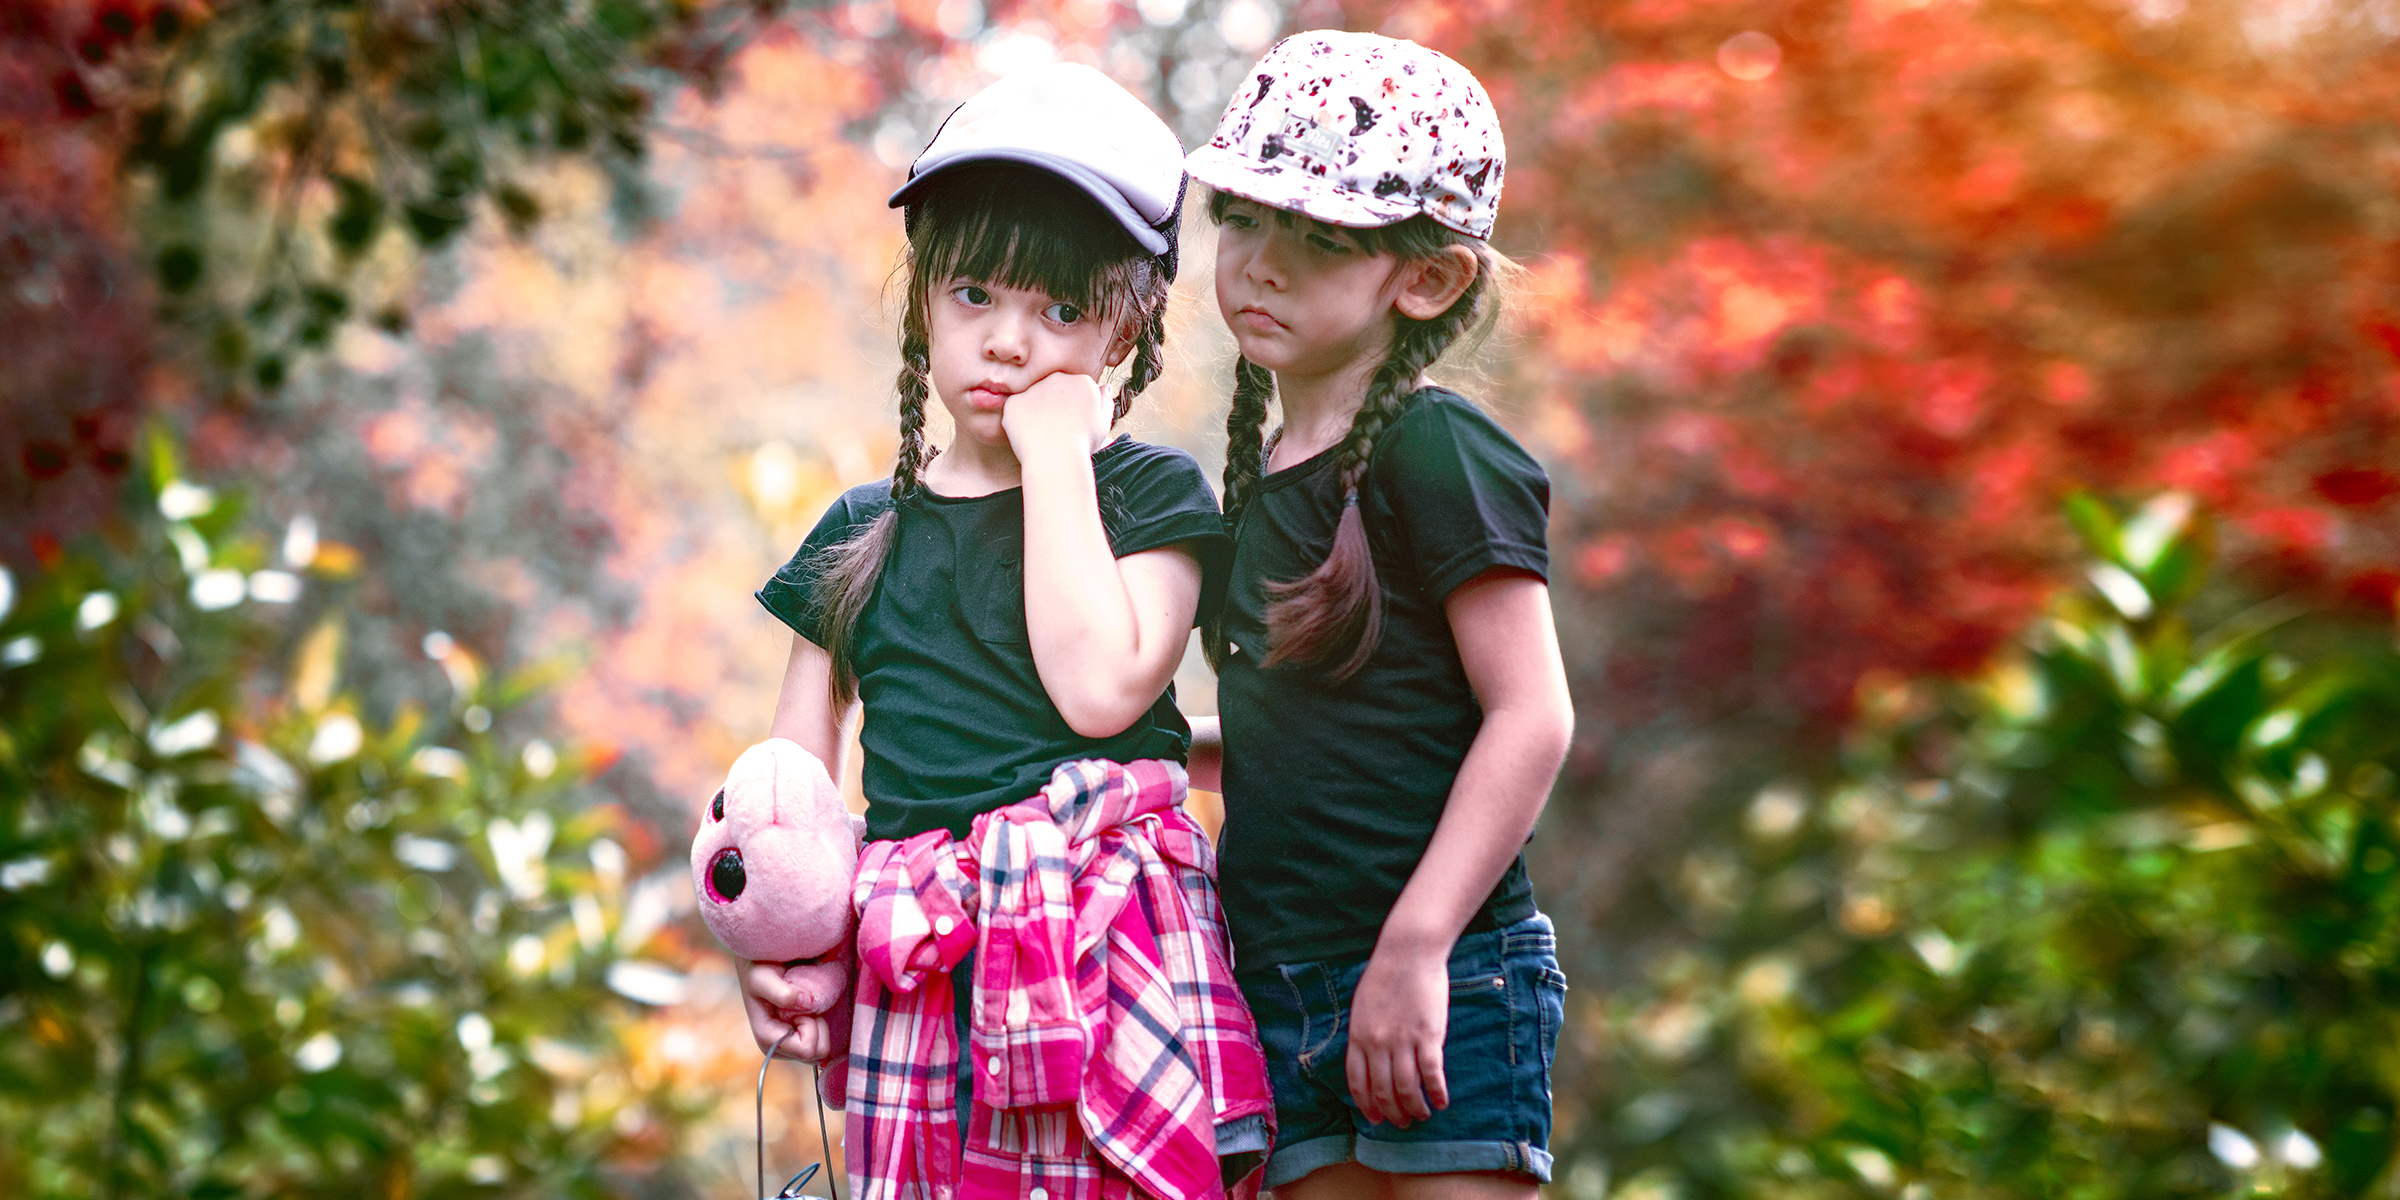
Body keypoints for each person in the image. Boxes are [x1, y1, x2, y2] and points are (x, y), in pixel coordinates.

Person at [739, 63, 1272, 1198]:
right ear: (922, 297)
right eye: (976, 294)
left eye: (1062, 310)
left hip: (1109, 940)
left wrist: (1058, 458)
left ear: (1126, 328)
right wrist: (783, 962)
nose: (1011, 342)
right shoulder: (862, 530)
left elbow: (1100, 693)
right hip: (919, 969)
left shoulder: (1150, 499)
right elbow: (794, 796)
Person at [1182, 30, 1576, 1199]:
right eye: (1245, 221)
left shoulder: (1436, 448)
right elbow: (1322, 722)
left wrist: (1418, 948)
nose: (1261, 265)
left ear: (1428, 277)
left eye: (1319, 240)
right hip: (1284, 982)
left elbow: (1531, 718)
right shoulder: (1255, 476)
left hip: (1445, 972)